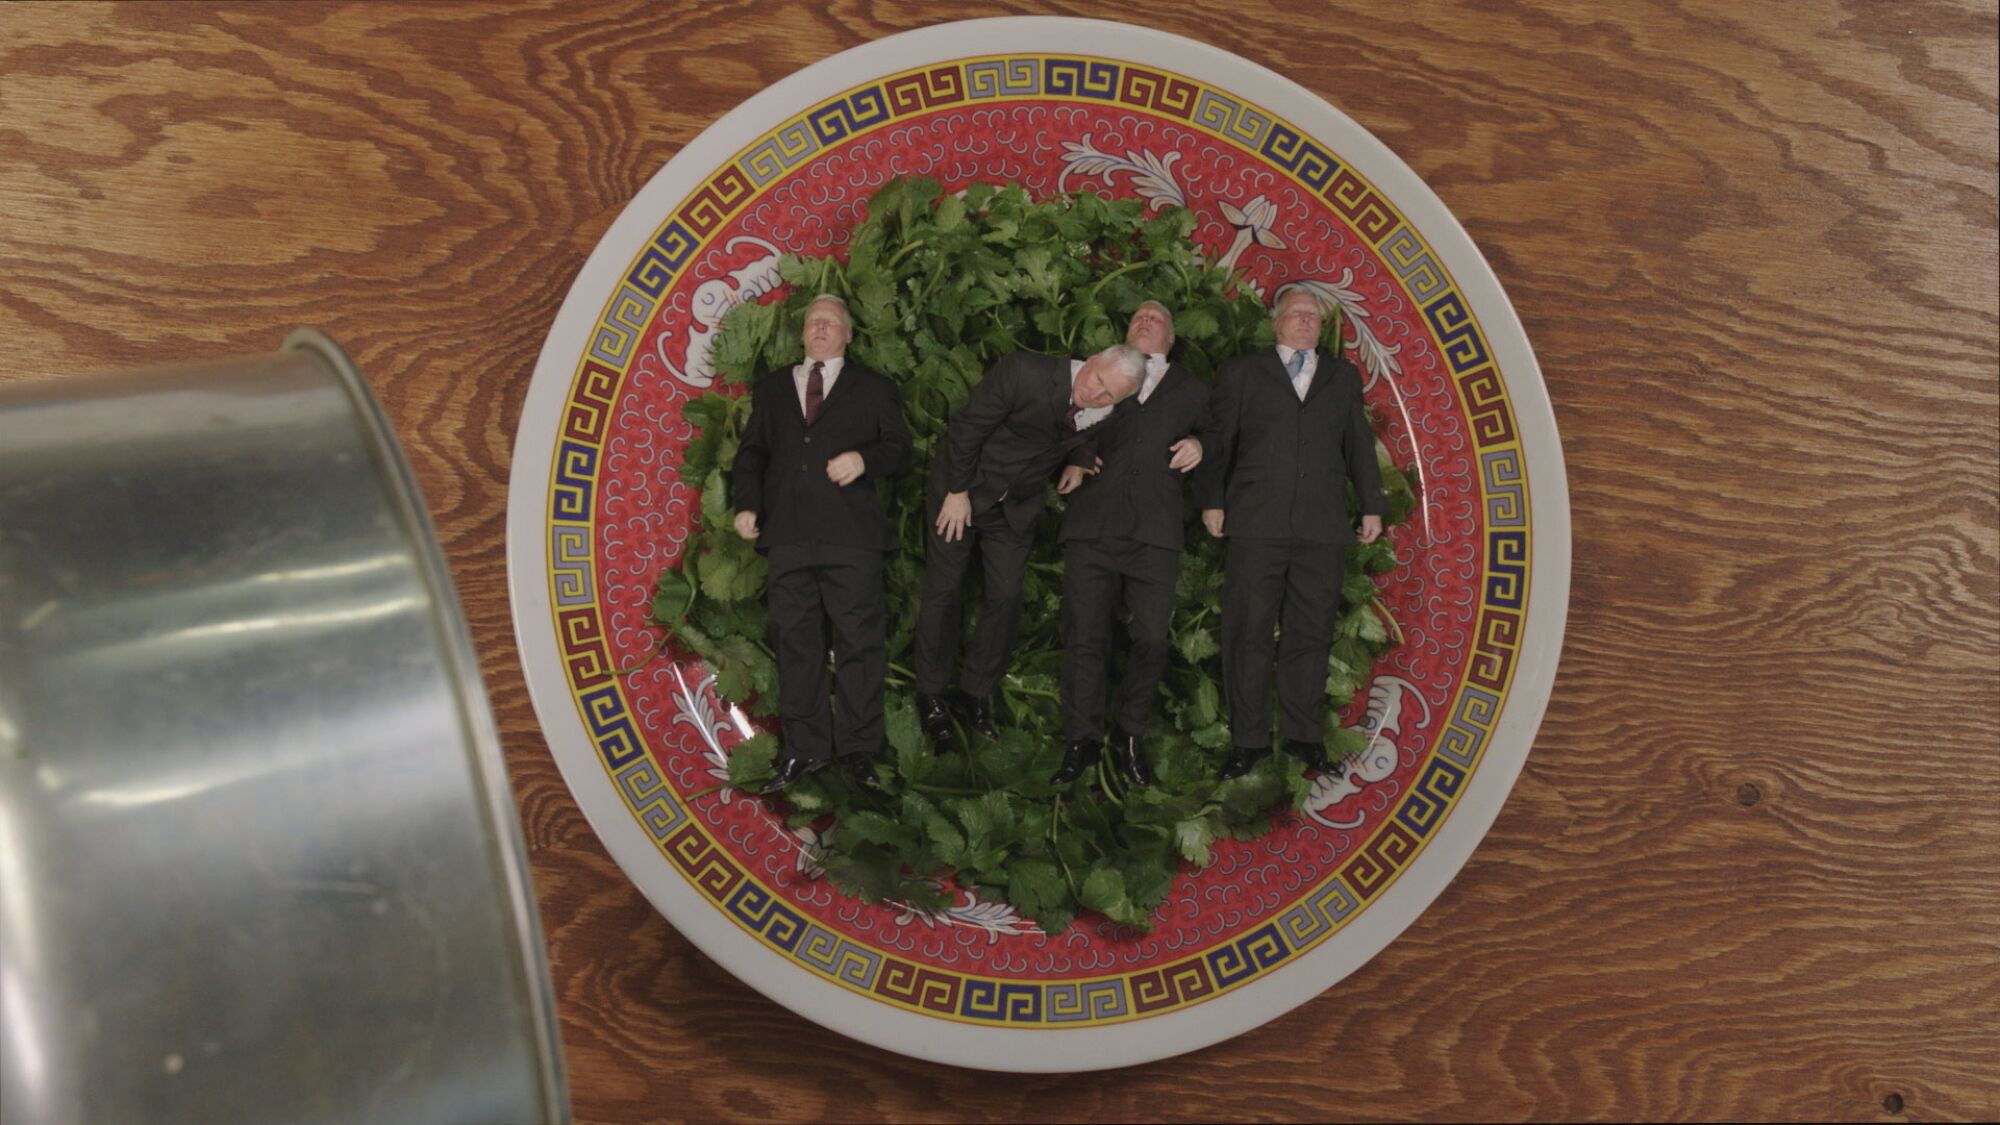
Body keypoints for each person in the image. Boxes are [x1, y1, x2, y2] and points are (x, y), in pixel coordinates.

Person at [1193, 287, 1386, 780]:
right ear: (1275, 322)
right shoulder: (1241, 372)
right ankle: (1249, 740)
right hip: (1255, 521)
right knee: (1248, 631)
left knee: (1311, 632)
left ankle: (1304, 736)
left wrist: (1371, 506)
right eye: (1296, 314)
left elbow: (1358, 446)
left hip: (1321, 527)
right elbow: (1220, 439)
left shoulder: (1342, 376)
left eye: (1313, 317)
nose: (1305, 322)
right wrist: (1212, 498)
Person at [913, 344, 1148, 750]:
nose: (1096, 394)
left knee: (1006, 595)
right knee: (945, 589)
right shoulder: (1024, 370)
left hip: (1015, 508)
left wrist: (1080, 457)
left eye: (1110, 394)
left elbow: (1087, 428)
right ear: (1090, 362)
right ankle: (930, 693)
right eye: (1097, 380)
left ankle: (974, 692)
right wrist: (956, 491)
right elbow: (967, 428)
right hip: (962, 490)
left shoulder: (1115, 408)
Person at [729, 294, 912, 790]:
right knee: (796, 645)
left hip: (851, 538)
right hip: (787, 537)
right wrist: (747, 505)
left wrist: (864, 461)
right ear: (803, 333)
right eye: (814, 322)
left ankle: (858, 751)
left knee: (860, 644)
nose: (821, 328)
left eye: (831, 322)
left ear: (849, 335)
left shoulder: (874, 389)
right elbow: (752, 456)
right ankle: (804, 751)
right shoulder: (771, 389)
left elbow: (900, 450)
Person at [1048, 303, 1210, 786]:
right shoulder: (1100, 374)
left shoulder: (1195, 390)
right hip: (1092, 527)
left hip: (1155, 535)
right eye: (1138, 316)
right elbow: (1065, 420)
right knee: (1083, 636)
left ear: (1173, 337)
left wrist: (1203, 445)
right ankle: (1081, 739)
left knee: (1151, 639)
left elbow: (1220, 436)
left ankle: (1130, 734)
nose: (1145, 321)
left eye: (1156, 318)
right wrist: (1077, 457)